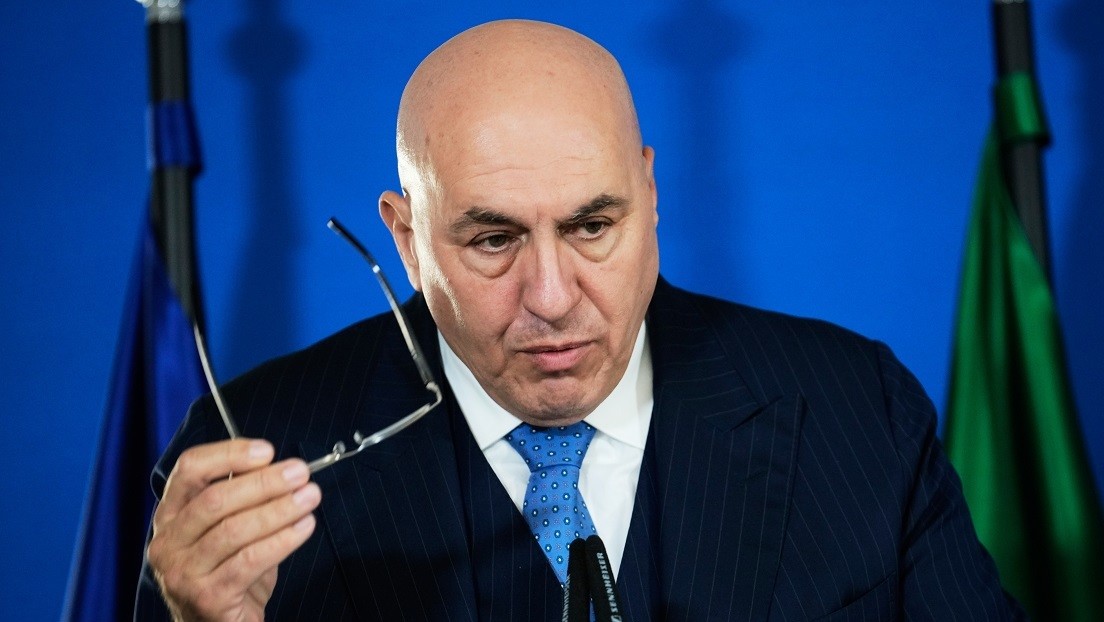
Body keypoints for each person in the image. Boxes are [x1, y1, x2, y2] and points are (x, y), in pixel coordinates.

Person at [136, 19, 1024, 621]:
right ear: (406, 239)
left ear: (650, 192)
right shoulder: (243, 459)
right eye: (493, 240)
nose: (553, 296)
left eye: (593, 226)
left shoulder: (856, 410)